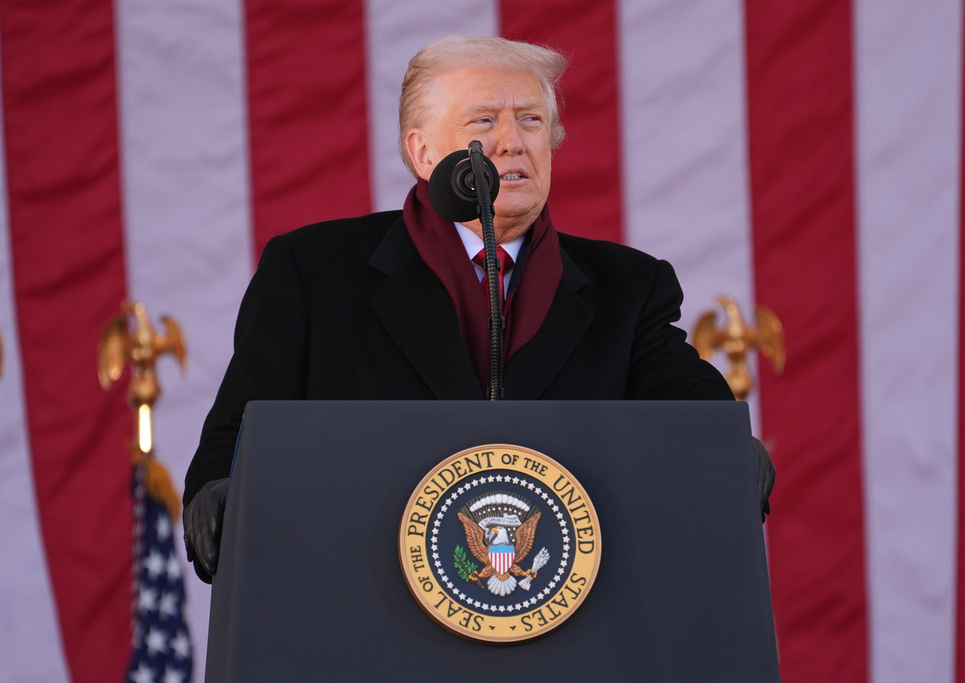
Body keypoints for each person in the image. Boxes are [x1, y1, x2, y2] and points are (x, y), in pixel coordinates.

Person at [183, 35, 774, 583]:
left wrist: (720, 439)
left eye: (532, 121)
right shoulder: (313, 271)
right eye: (484, 121)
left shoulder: (628, 284)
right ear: (422, 151)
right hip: (363, 595)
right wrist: (218, 484)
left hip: (564, 611)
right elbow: (244, 421)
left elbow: (681, 395)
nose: (512, 141)